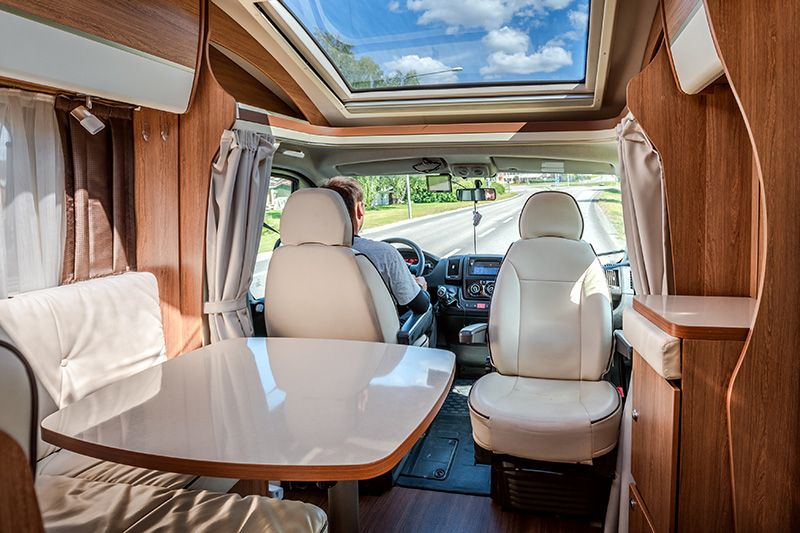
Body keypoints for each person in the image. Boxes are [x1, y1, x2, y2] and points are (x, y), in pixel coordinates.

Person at [321, 176, 431, 314]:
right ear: (359, 209)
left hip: (304, 336)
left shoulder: (292, 259)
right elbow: (421, 306)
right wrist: (419, 286)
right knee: (428, 314)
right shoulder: (383, 254)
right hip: (374, 336)